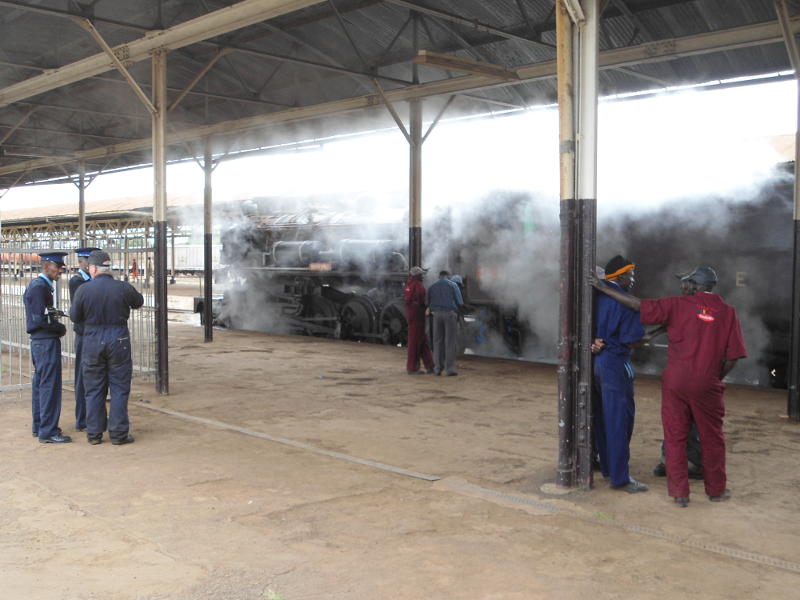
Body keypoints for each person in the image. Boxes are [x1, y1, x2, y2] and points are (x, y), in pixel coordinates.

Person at [591, 265, 746, 508]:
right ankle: (716, 491)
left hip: (675, 382)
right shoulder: (728, 312)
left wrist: (601, 287)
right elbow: (734, 356)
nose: (681, 286)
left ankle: (679, 494)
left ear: (693, 285)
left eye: (684, 282)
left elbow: (637, 305)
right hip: (707, 383)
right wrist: (714, 378)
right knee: (712, 438)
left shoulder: (676, 305)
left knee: (675, 436)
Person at [70, 250, 144, 445]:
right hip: (118, 340)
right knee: (119, 388)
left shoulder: (84, 290)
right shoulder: (122, 287)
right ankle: (118, 435)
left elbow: (74, 317)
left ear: (93, 268)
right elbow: (139, 302)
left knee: (93, 389)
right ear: (109, 268)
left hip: (92, 341)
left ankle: (94, 434)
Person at [592, 255, 649, 493]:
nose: (633, 279)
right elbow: (633, 338)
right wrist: (647, 338)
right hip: (617, 363)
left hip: (598, 363)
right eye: (631, 275)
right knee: (620, 421)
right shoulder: (626, 302)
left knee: (603, 419)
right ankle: (620, 478)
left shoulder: (597, 297)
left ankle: (607, 467)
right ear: (621, 276)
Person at [24, 251, 71, 444]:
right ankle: (48, 431)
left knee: (41, 385)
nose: (60, 271)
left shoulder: (43, 286)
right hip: (45, 342)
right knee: (49, 386)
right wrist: (59, 328)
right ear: (46, 266)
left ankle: (40, 426)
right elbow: (38, 320)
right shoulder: (39, 287)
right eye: (58, 267)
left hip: (41, 342)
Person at [68, 247, 100, 431]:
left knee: (95, 377)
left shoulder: (90, 281)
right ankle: (82, 419)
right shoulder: (78, 281)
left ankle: (92, 416)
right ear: (83, 263)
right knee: (83, 377)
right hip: (84, 334)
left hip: (94, 334)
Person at [426, 270, 463, 376]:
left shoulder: (432, 286)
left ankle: (437, 368)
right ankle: (450, 369)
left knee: (437, 342)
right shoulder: (453, 285)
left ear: (439, 276)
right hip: (449, 314)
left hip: (436, 315)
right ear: (447, 276)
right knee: (450, 342)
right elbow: (459, 302)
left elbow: (427, 302)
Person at [404, 266, 434, 374]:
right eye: (421, 274)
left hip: (415, 315)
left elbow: (408, 300)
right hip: (417, 316)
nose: (423, 276)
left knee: (423, 340)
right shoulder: (417, 285)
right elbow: (419, 300)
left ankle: (430, 365)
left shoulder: (410, 284)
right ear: (417, 275)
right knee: (415, 342)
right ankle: (412, 368)